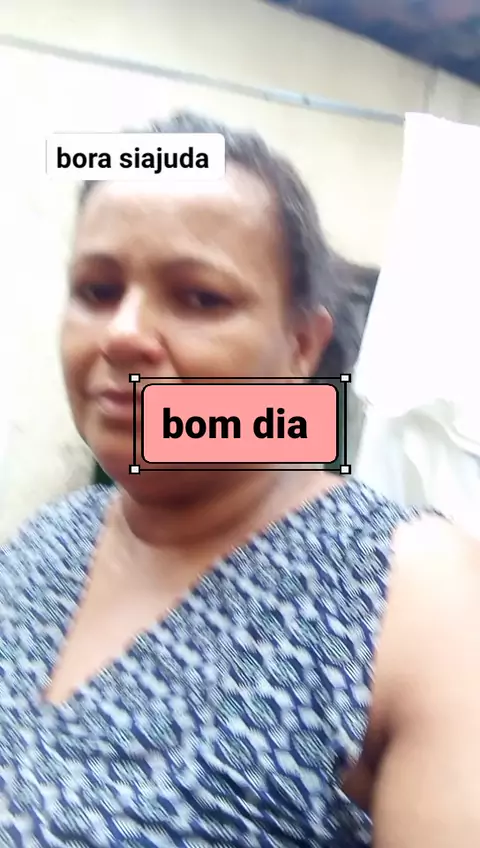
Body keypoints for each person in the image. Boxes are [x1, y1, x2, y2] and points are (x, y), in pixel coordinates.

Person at [0, 111, 479, 848]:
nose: (122, 332)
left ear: (303, 345)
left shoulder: (412, 592)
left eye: (200, 297)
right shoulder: (45, 543)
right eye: (97, 290)